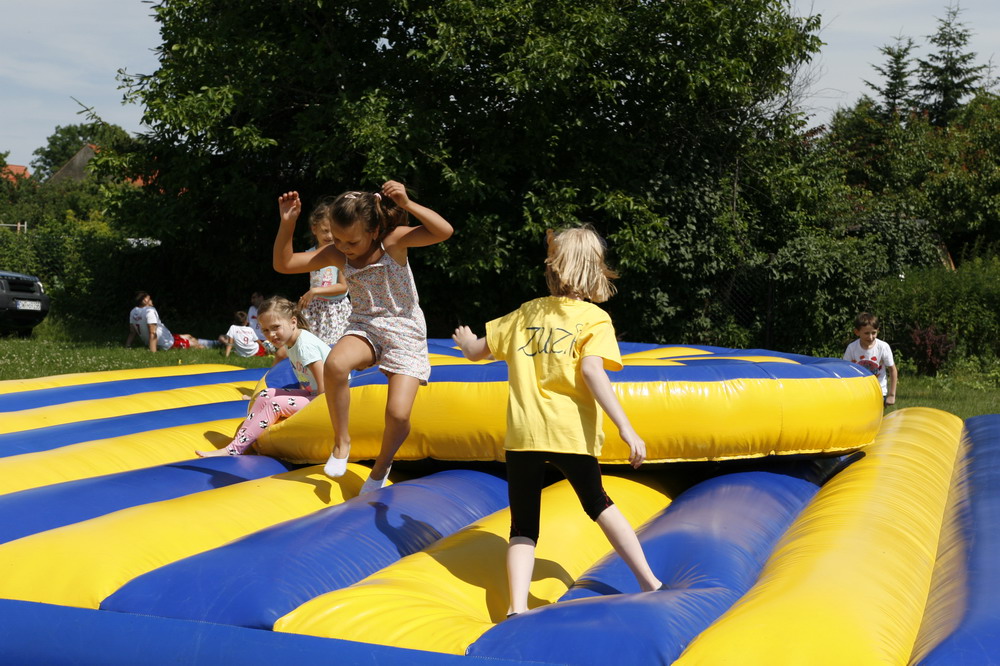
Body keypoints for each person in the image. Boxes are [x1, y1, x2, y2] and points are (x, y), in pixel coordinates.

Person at [451, 224, 663, 618]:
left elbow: (478, 352)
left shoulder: (527, 312)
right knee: (598, 504)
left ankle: (516, 607)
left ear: (553, 268)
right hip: (570, 433)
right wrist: (626, 427)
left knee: (523, 526)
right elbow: (593, 372)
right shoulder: (594, 319)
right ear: (595, 271)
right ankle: (649, 582)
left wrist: (465, 343)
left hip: (525, 434)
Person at [272, 180, 453, 494]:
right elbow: (284, 264)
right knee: (335, 365)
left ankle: (381, 466)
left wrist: (407, 203)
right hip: (366, 325)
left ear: (373, 230)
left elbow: (443, 231)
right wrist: (287, 223)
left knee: (397, 414)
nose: (344, 247)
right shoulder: (338, 254)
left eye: (351, 241)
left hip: (404, 330)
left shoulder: (392, 241)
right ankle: (342, 442)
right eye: (338, 239)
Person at [197, 296, 328, 456]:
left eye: (276, 327)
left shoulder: (304, 346)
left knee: (275, 403)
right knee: (266, 393)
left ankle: (234, 449)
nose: (271, 334)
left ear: (293, 322)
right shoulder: (291, 343)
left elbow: (324, 381)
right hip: (314, 393)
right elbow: (306, 378)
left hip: (328, 397)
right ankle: (245, 439)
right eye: (265, 330)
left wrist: (315, 409)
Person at [299, 207, 351, 345]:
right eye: (325, 230)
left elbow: (343, 287)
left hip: (334, 308)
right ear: (314, 229)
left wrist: (314, 291)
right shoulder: (310, 254)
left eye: (333, 231)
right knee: (312, 344)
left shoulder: (341, 255)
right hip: (315, 308)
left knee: (332, 345)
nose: (329, 236)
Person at [843, 312, 898, 406]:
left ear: (878, 331)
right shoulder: (852, 348)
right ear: (857, 332)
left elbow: (892, 370)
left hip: (879, 392)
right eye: (866, 333)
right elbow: (844, 370)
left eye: (873, 333)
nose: (870, 337)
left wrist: (892, 395)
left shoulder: (883, 347)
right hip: (858, 393)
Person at [125, 291, 207, 352]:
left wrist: (127, 346)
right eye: (150, 299)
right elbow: (152, 332)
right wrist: (153, 352)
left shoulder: (133, 311)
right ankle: (213, 345)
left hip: (167, 338)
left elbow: (132, 332)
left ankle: (213, 343)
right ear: (145, 300)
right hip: (167, 343)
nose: (151, 301)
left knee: (189, 336)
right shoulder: (150, 311)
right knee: (197, 345)